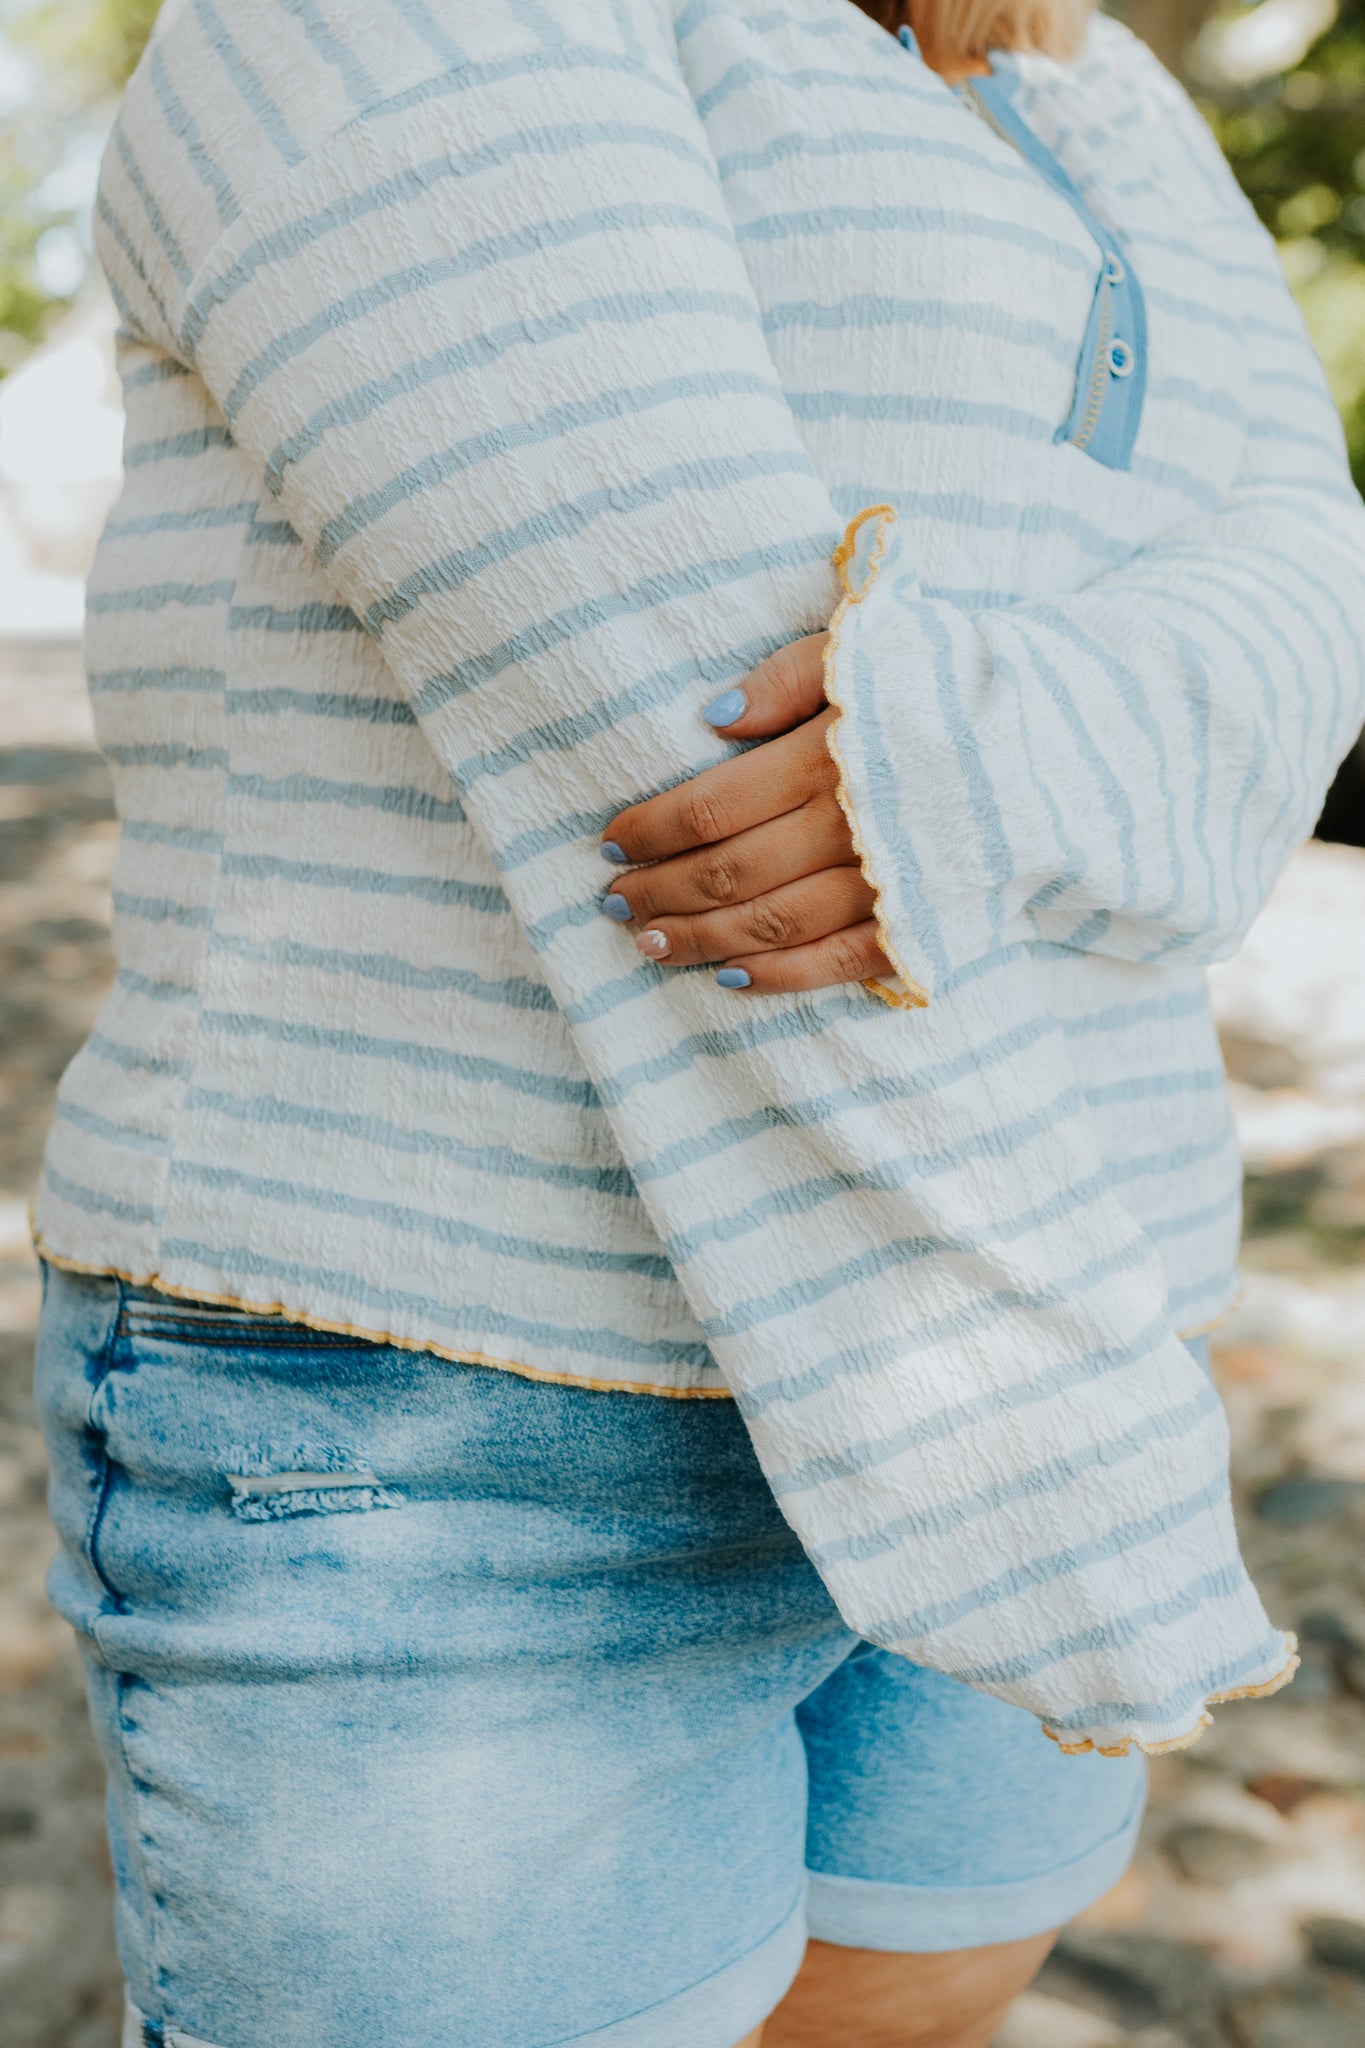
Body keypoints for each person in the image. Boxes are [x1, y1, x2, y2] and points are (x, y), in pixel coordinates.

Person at [33, 1, 1365, 2044]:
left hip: (1061, 1318)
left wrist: (972, 755)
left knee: (914, 1998)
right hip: (476, 1405)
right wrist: (1059, 1465)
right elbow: (678, 714)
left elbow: (1312, 595)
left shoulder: (1107, 93)